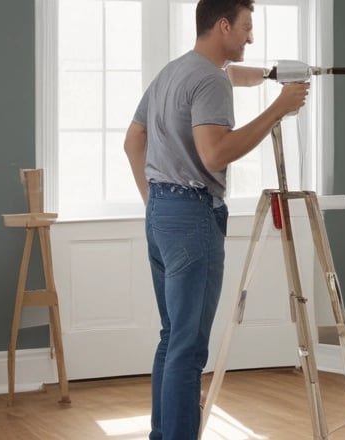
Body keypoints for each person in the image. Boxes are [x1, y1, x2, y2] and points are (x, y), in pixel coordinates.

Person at [122, 0, 308, 438]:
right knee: (188, 348)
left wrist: (268, 77)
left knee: (172, 339)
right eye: (246, 27)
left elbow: (134, 141)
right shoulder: (209, 81)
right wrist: (278, 108)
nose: (251, 37)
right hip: (192, 216)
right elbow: (215, 152)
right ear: (224, 25)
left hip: (161, 214)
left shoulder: (173, 72)